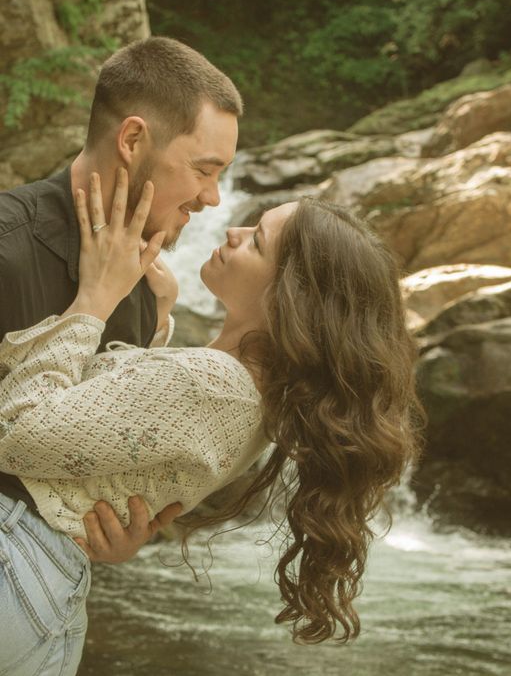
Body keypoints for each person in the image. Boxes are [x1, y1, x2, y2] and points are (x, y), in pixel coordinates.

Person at [0, 172, 422, 674]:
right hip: (37, 582)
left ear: (287, 297)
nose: (233, 232)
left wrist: (94, 299)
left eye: (257, 241)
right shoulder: (245, 395)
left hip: (19, 563)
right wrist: (159, 316)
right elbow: (125, 430)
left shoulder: (214, 385)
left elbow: (16, 431)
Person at [0, 36, 243, 562]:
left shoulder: (148, 287)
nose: (212, 197)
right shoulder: (6, 247)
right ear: (132, 139)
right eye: (203, 170)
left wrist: (111, 531)